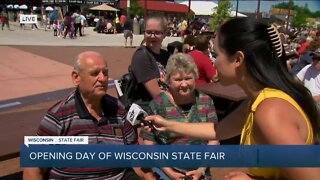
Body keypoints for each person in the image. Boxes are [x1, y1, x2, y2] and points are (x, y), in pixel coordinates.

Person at [144, 18, 320, 180]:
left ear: (237, 59)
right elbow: (218, 131)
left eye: (216, 54)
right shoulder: (256, 101)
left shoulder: (270, 111)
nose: (213, 63)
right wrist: (168, 125)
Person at [23, 51, 142, 179]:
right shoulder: (58, 116)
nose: (102, 78)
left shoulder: (118, 109)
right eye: (94, 73)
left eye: (105, 73)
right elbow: (33, 168)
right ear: (76, 78)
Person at [141, 53, 219, 180]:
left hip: (200, 171)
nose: (184, 84)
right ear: (168, 81)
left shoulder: (206, 101)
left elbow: (214, 139)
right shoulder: (157, 104)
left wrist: (201, 170)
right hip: (167, 171)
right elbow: (148, 142)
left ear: (195, 78)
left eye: (188, 78)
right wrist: (169, 172)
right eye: (177, 80)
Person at [130, 15, 170, 106]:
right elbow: (157, 95)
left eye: (157, 33)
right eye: (148, 32)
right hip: (150, 107)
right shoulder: (142, 56)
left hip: (167, 102)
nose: (152, 36)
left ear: (165, 34)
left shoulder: (166, 55)